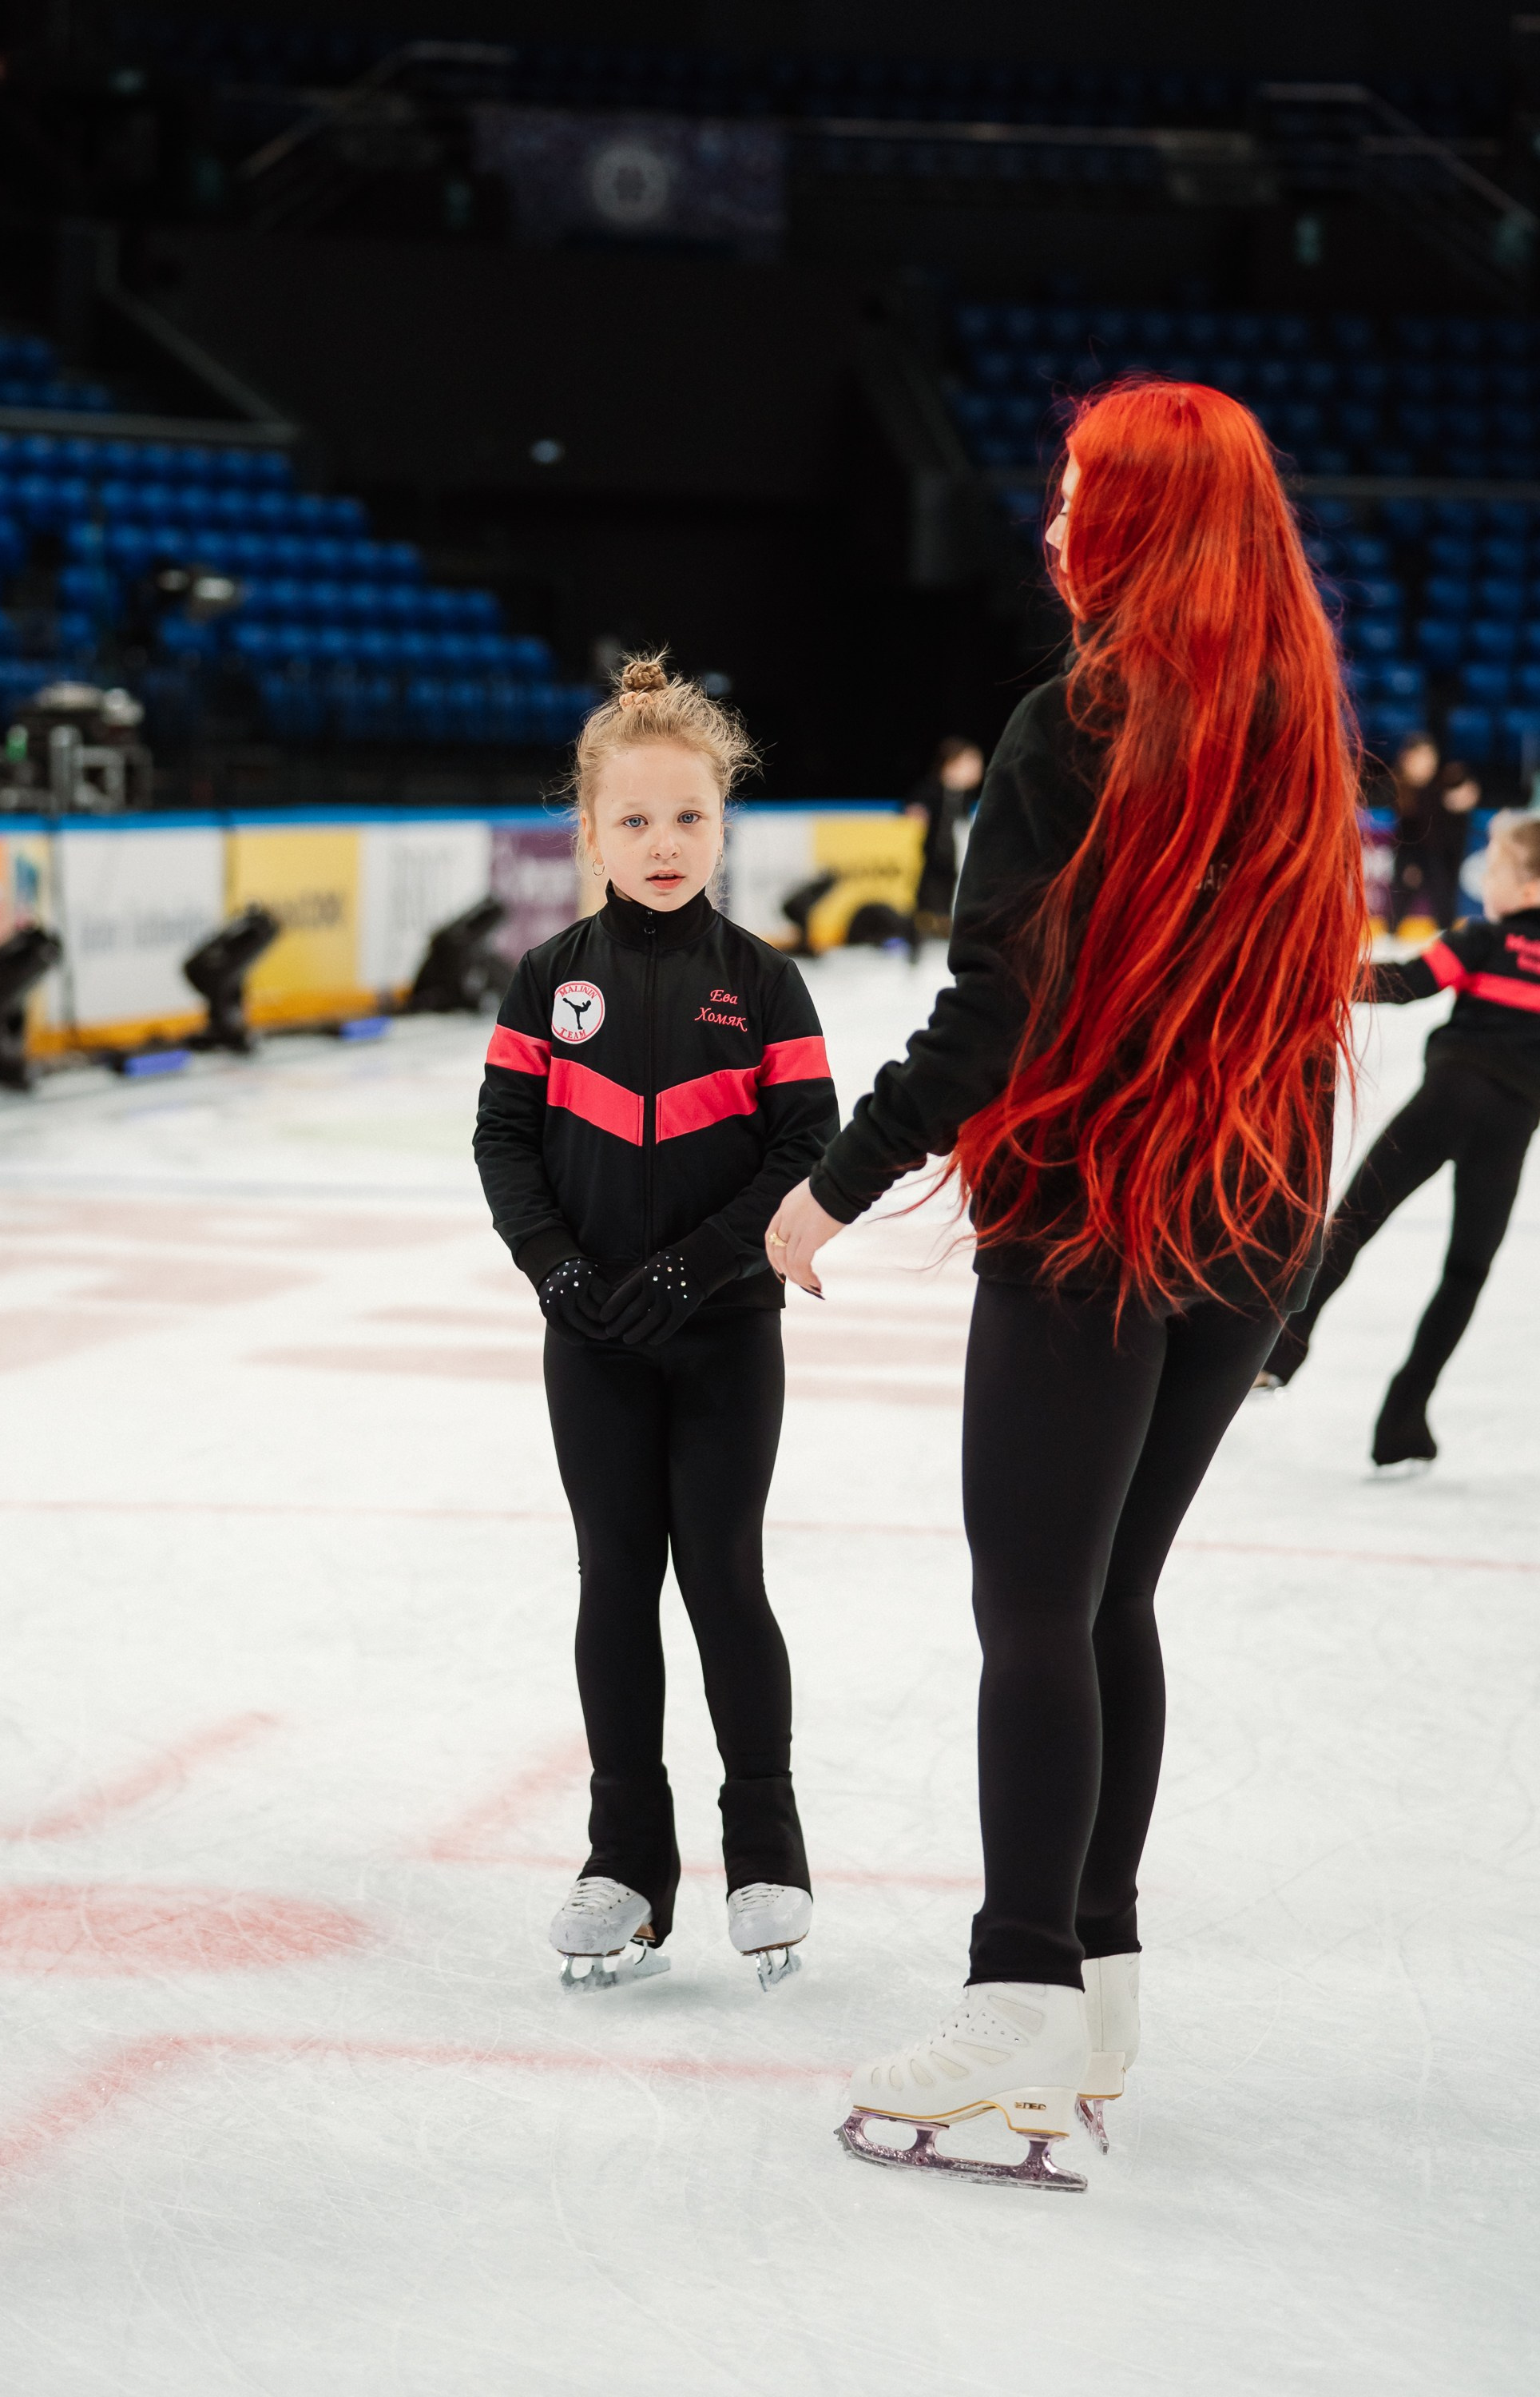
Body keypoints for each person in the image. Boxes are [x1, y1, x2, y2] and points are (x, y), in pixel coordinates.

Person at [765, 383, 1367, 2188]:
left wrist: (830, 1184)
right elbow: (1307, 1006)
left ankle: (1017, 1986)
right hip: (1244, 1223)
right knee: (1109, 1594)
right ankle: (1095, 1976)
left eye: (1078, 491)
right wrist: (1297, 1264)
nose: (1049, 519)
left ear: (1142, 526)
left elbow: (991, 1014)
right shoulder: (1297, 730)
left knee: (1034, 1603)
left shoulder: (1072, 724)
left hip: (1100, 1218)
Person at [473, 654, 839, 1995]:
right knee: (614, 1582)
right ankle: (626, 1862)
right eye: (634, 821)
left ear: (723, 822)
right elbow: (503, 1138)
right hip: (591, 1342)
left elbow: (808, 1138)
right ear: (589, 834)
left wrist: (694, 1269)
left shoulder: (768, 984)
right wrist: (556, 1273)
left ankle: (768, 1858)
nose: (664, 843)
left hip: (727, 1332)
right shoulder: (544, 984)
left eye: (688, 817)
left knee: (723, 1577)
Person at [1260, 809, 1540, 1467]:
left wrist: (1308, 975)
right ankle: (1405, 1420)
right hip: (1511, 1126)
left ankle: (1277, 1358)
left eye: (1496, 869)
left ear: (1530, 889)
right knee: (1466, 1272)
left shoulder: (1481, 938)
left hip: (1448, 1099)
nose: (1485, 878)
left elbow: (1405, 984)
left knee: (1353, 1222)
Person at [1389, 734, 1479, 932]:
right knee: (1400, 899)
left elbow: (1468, 792)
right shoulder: (1400, 789)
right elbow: (1405, 835)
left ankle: (1446, 936)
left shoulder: (1446, 780)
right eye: (1421, 757)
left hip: (1441, 856)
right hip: (1411, 854)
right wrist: (1410, 864)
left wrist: (1466, 797)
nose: (1427, 763)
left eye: (1430, 757)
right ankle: (1390, 934)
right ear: (1407, 760)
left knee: (1443, 899)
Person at [905, 736, 986, 939]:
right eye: (971, 763)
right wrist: (917, 811)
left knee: (952, 894)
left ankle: (946, 926)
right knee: (927, 895)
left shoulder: (967, 797)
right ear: (951, 764)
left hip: (955, 860)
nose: (978, 769)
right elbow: (915, 804)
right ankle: (920, 929)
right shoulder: (932, 789)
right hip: (932, 857)